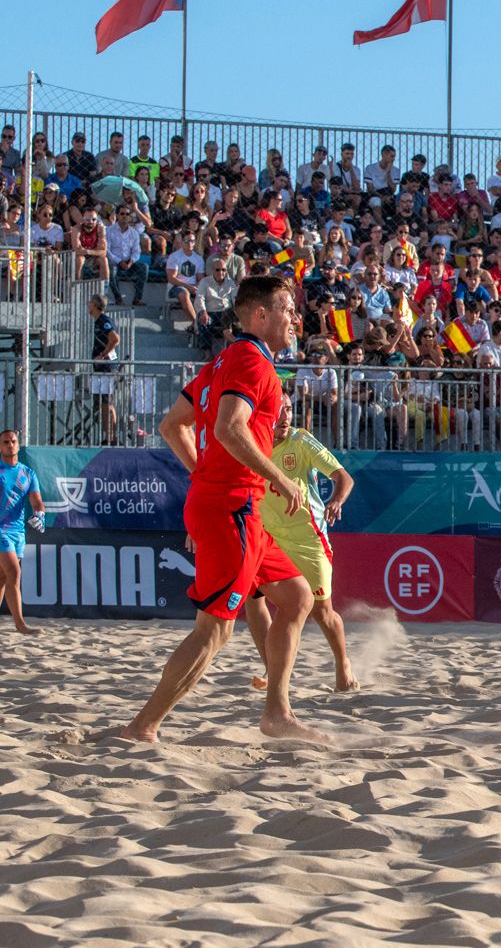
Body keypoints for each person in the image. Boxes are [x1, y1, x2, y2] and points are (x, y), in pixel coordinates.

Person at [121, 275, 327, 744]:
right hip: (232, 505)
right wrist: (276, 476)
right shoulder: (254, 363)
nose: (295, 318)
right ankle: (143, 726)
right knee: (215, 631)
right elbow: (229, 428)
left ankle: (277, 712)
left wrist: (203, 479)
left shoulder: (221, 362)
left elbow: (172, 426)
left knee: (298, 599)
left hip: (234, 505)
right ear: (260, 315)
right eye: (287, 309)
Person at [246, 409, 359, 693]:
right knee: (254, 598)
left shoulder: (301, 441)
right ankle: (272, 669)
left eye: (289, 410)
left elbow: (344, 478)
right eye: (278, 412)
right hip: (268, 536)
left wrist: (336, 501)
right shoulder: (249, 443)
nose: (285, 417)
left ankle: (343, 664)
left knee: (323, 612)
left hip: (308, 538)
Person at [0, 430, 44, 635]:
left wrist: (40, 515)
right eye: (6, 442)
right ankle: (20, 624)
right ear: (0, 447)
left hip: (17, 532)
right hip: (0, 530)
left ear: (18, 445)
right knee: (14, 572)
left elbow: (37, 502)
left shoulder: (28, 473)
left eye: (13, 441)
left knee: (2, 578)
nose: (10, 445)